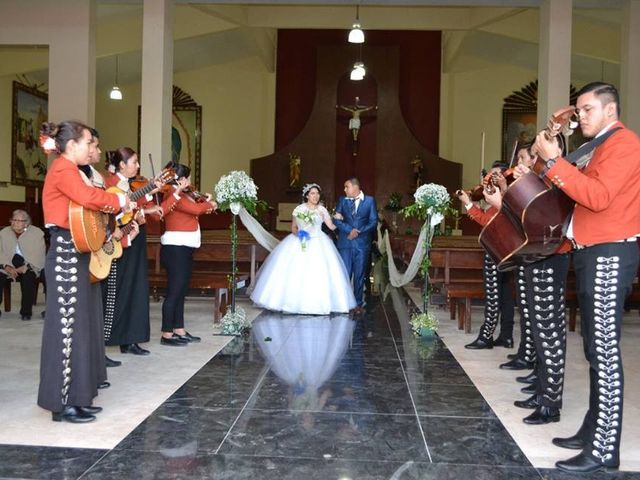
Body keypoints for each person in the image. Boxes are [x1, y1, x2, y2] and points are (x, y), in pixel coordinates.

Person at [532, 82, 640, 474]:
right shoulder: (599, 147)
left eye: (587, 110)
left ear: (610, 111)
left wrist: (554, 163)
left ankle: (604, 450)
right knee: (594, 349)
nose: (581, 117)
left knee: (606, 352)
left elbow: (597, 197)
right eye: (578, 110)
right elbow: (576, 189)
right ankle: (593, 430)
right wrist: (554, 158)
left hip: (611, 251)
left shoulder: (624, 144)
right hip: (593, 250)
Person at [37, 120, 132, 423]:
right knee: (65, 331)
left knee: (80, 327)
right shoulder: (63, 169)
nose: (93, 147)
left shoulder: (72, 170)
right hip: (65, 252)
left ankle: (79, 396)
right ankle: (61, 404)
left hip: (77, 251)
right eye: (89, 142)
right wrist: (119, 199)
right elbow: (90, 199)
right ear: (71, 145)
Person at [250, 183, 356, 314]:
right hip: (300, 241)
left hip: (319, 241)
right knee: (295, 271)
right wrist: (299, 233)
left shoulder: (322, 210)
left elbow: (332, 226)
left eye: (317, 193)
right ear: (307, 195)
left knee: (319, 273)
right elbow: (293, 227)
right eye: (312, 193)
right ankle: (291, 303)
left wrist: (341, 220)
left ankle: (321, 303)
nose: (315, 196)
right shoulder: (299, 209)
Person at [103, 147, 161, 356]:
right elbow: (110, 213)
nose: (137, 166)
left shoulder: (131, 184)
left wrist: (145, 210)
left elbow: (135, 209)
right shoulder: (109, 184)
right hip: (120, 240)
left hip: (137, 236)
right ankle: (113, 338)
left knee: (137, 289)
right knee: (120, 290)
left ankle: (131, 339)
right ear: (122, 165)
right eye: (134, 162)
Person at [457, 161, 515, 350]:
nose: (490, 179)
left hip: (495, 251)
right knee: (506, 296)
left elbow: (486, 221)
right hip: (506, 251)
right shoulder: (504, 197)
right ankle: (506, 336)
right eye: (490, 175)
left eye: (495, 175)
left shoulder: (504, 198)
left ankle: (486, 336)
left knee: (493, 296)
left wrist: (468, 204)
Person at [159, 163, 216, 346]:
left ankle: (179, 329)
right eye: (188, 178)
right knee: (174, 292)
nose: (190, 182)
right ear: (181, 179)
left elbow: (197, 205)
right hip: (176, 247)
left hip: (184, 247)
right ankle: (166, 333)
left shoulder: (184, 194)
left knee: (181, 291)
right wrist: (211, 203)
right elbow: (197, 210)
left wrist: (205, 200)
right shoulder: (172, 195)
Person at [333, 177, 378, 314]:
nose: (345, 190)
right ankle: (344, 302)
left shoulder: (370, 201)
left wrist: (358, 232)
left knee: (359, 274)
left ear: (355, 187)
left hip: (362, 244)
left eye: (347, 187)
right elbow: (336, 220)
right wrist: (349, 230)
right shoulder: (342, 200)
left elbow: (373, 221)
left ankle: (358, 303)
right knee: (345, 273)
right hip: (345, 242)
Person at [0, 210, 45, 320]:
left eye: (18, 221)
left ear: (26, 223)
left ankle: (26, 312)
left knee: (28, 277)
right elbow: (0, 251)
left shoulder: (37, 232)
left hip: (29, 263)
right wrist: (6, 266)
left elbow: (39, 253)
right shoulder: (4, 232)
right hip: (8, 262)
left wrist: (26, 267)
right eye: (13, 220)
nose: (14, 223)